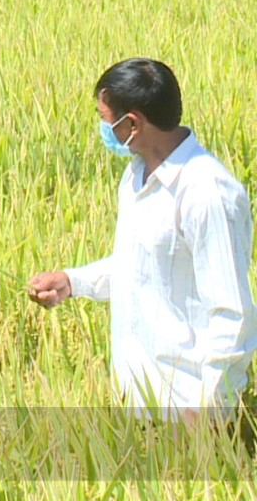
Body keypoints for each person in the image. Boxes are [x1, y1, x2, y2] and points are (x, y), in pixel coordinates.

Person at [28, 58, 257, 423]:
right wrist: (72, 282)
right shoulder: (136, 176)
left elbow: (232, 316)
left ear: (132, 123)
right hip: (138, 407)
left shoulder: (207, 194)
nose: (104, 129)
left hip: (187, 414)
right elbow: (138, 267)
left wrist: (206, 414)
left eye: (106, 120)